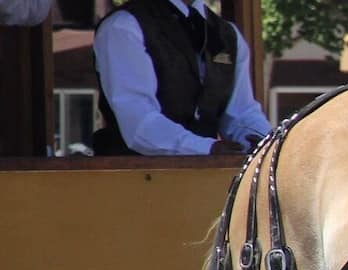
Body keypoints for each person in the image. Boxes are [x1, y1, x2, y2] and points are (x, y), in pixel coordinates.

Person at [92, 0, 270, 156]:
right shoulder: (124, 26)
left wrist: (268, 144)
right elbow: (139, 123)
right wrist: (207, 148)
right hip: (131, 180)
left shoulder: (228, 35)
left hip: (208, 181)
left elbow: (242, 114)